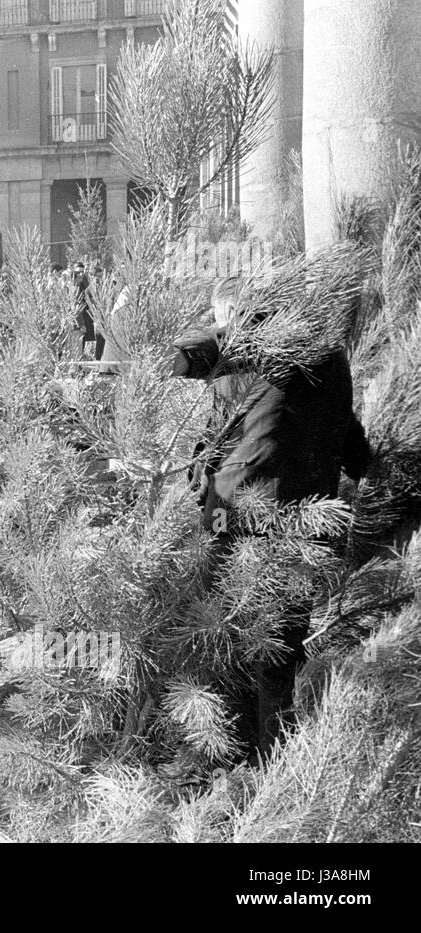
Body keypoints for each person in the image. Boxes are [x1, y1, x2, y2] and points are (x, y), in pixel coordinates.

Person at [170, 277, 371, 759]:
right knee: (283, 640)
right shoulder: (331, 357)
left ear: (237, 316)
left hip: (238, 512)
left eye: (223, 318)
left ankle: (231, 752)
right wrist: (364, 468)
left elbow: (184, 360)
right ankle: (273, 755)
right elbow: (350, 439)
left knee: (223, 625)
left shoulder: (246, 352)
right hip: (309, 519)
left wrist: (223, 336)